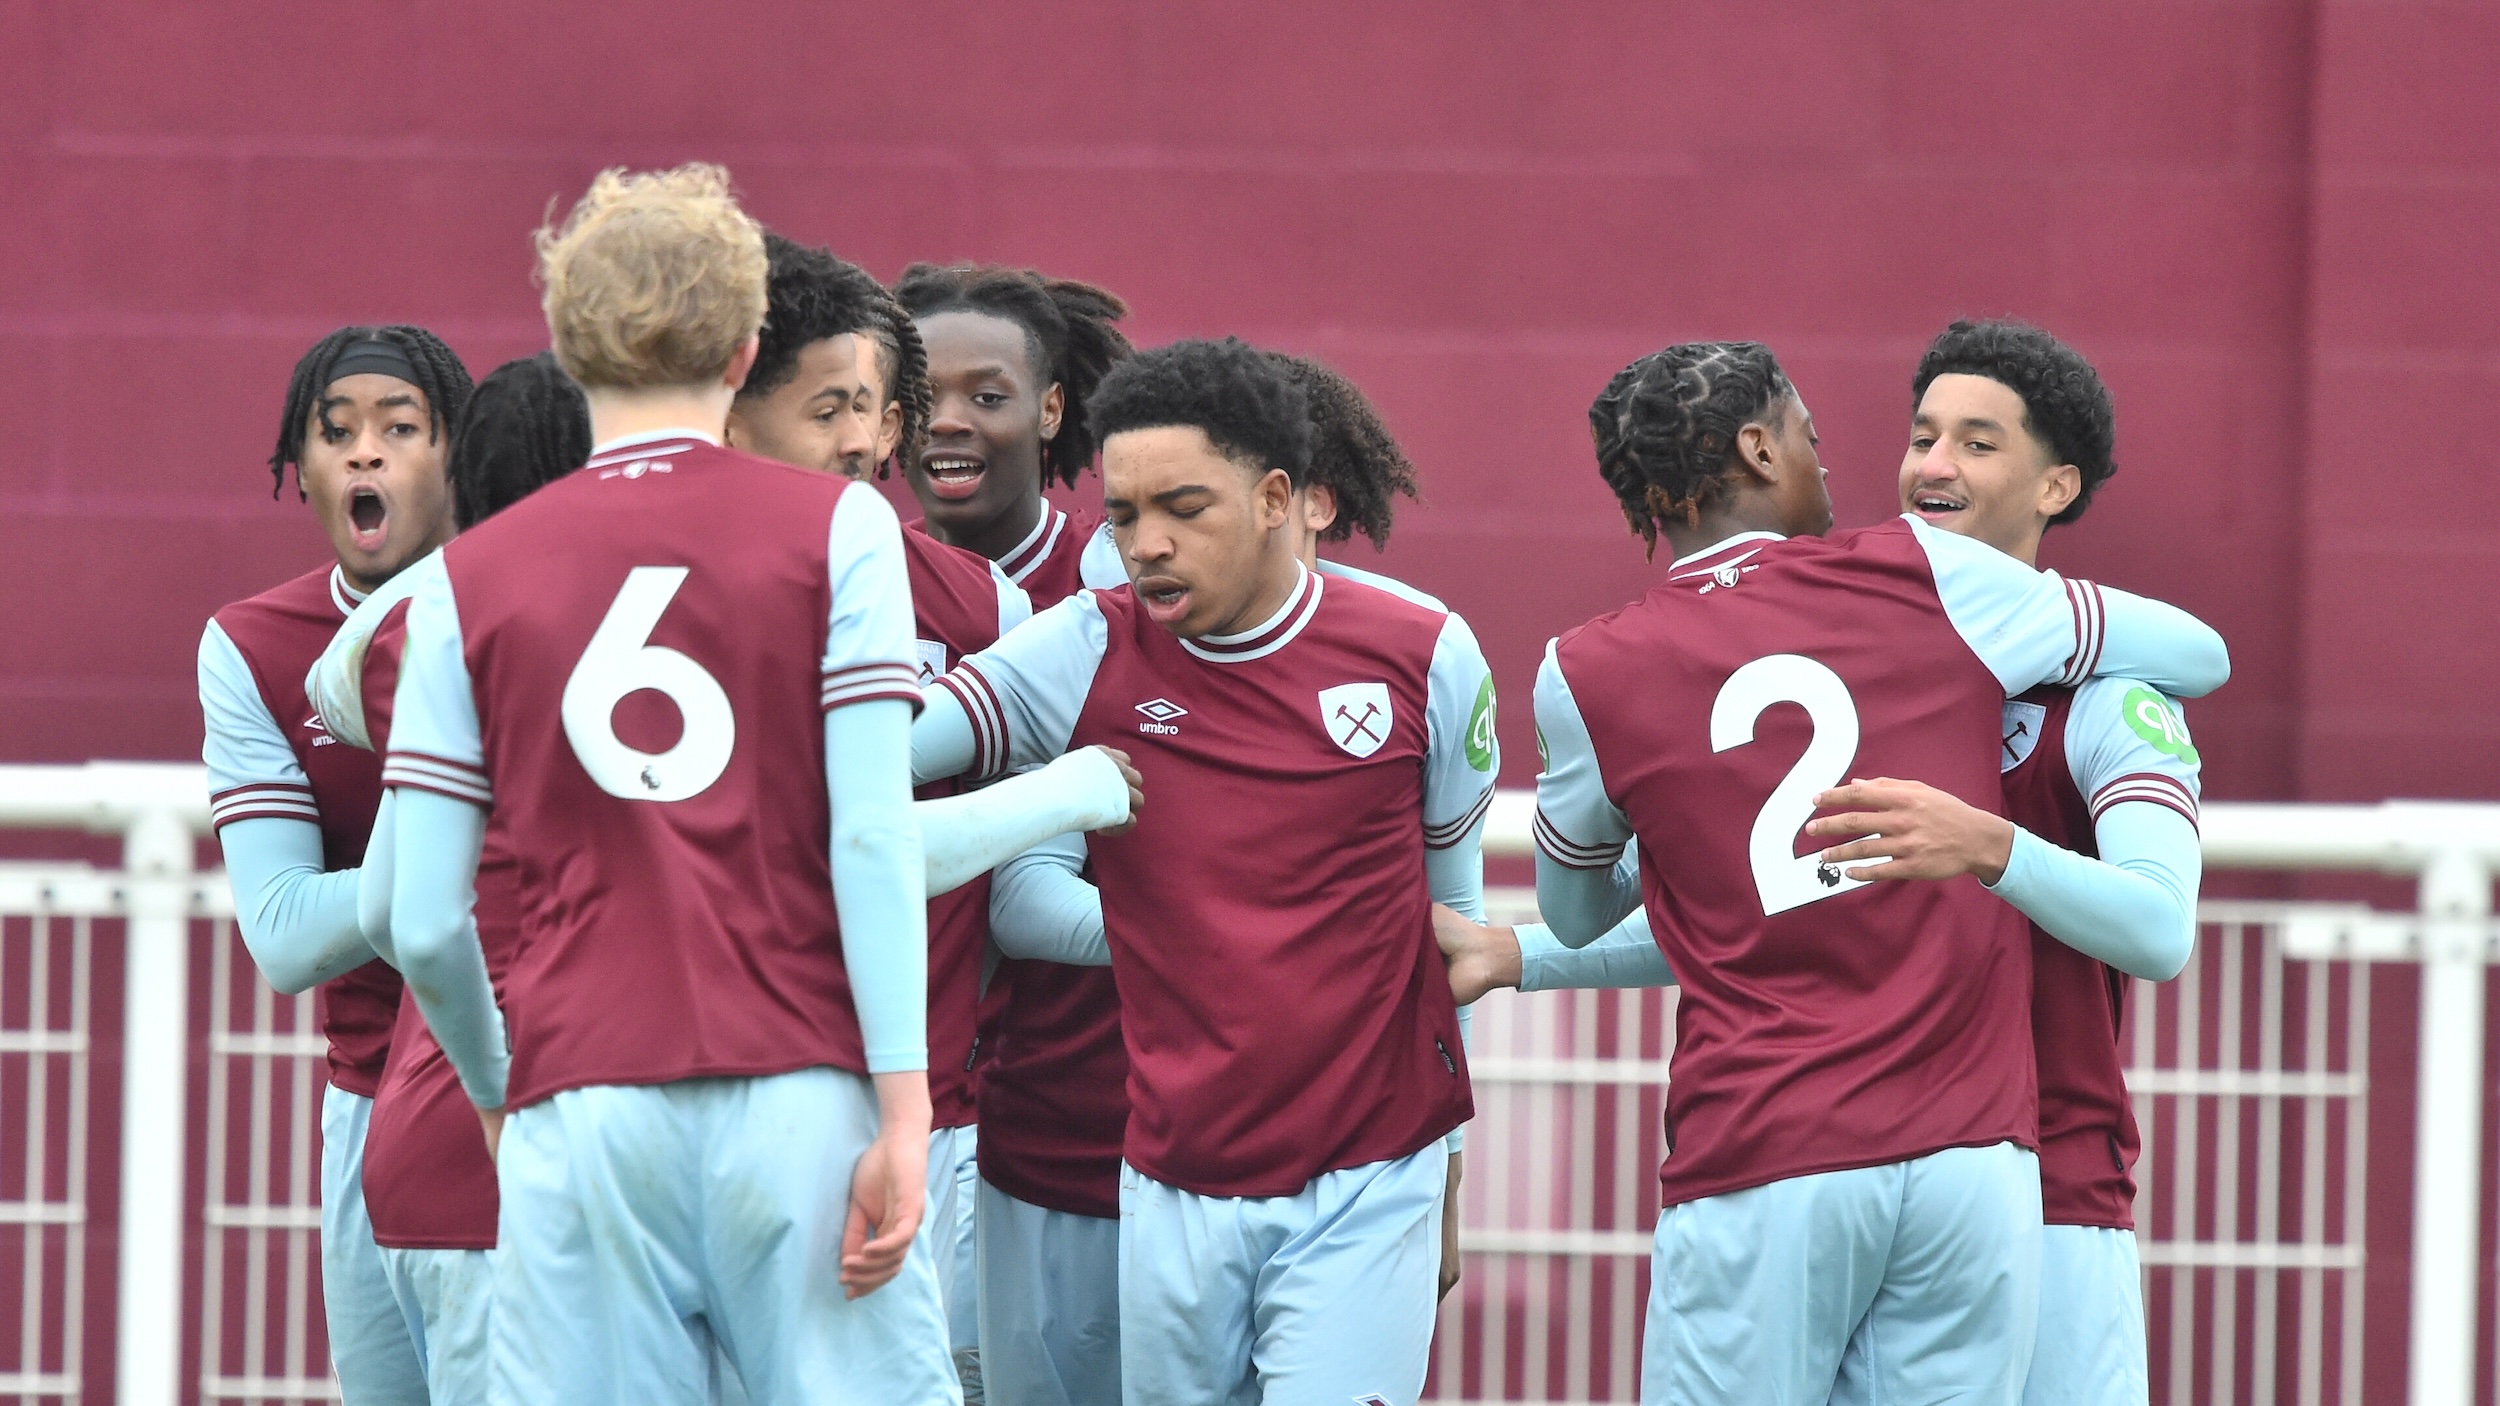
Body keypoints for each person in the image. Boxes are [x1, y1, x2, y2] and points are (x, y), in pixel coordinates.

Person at [1438, 324, 2201, 1405]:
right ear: (1758, 450)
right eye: (1922, 434)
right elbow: (1758, 906)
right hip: (1962, 1167)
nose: (1929, 464)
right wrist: (1518, 953)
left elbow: (2161, 930)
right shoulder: (1892, 620)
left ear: (2056, 484)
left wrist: (1992, 848)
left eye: (1977, 443)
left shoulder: (2107, 699)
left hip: (2058, 1194)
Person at [380, 163, 958, 1405]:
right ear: (749, 347)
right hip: (801, 1089)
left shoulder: (462, 579)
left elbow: (418, 918)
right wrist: (903, 1109)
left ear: (564, 341)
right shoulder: (841, 529)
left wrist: (498, 1095)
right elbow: (872, 836)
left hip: (578, 1099)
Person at [916, 338, 1498, 1405]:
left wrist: (1448, 1175)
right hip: (1170, 1177)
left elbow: (1452, 922)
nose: (1146, 543)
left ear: (1278, 496)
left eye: (1184, 506)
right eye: (1125, 513)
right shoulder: (1083, 646)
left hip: (1370, 1175)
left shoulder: (1425, 651)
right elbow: (896, 745)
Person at [728, 233, 1029, 1399]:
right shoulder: (666, 589)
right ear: (735, 408)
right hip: (742, 1090)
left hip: (925, 1118)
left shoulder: (977, 600)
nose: (863, 437)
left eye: (874, 407)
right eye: (827, 407)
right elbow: (840, 839)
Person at [197, 323, 471, 1406]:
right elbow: (283, 933)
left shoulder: (533, 602)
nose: (366, 452)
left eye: (400, 428)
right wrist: (457, 862)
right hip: (369, 1099)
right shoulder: (255, 645)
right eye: (336, 433)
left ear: (456, 455)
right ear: (296, 470)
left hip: (550, 1093)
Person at [894, 262, 1135, 1406]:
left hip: (1068, 1104)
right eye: (920, 391)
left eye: (985, 394)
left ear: (1050, 411)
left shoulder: (1123, 587)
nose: (947, 418)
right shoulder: (850, 578)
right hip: (897, 1084)